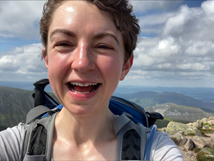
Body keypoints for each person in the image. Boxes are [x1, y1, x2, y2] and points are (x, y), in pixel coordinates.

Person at [0, 0, 184, 160]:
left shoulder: (156, 150)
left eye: (103, 46)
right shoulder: (17, 145)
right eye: (64, 43)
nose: (82, 63)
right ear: (47, 58)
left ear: (125, 65)